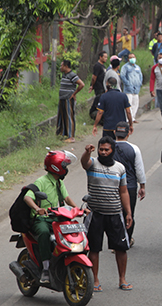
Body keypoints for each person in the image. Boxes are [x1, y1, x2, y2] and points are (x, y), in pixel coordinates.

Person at [82, 138, 133, 292]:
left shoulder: (120, 168)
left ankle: (122, 279)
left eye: (106, 150)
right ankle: (95, 280)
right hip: (95, 214)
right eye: (101, 149)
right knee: (94, 248)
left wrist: (128, 212)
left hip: (115, 214)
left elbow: (123, 191)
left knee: (121, 248)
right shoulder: (92, 164)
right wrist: (86, 152)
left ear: (113, 150)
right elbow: (84, 163)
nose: (103, 152)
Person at [24, 150, 79, 283]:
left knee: (74, 229)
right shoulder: (41, 181)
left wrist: (78, 209)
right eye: (64, 166)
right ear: (56, 167)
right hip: (41, 219)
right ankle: (46, 268)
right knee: (43, 232)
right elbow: (27, 197)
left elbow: (66, 198)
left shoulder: (59, 182)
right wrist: (38, 209)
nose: (65, 169)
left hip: (56, 217)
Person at [113, 121, 146, 246]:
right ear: (129, 132)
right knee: (129, 213)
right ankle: (127, 239)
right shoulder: (134, 149)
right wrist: (142, 186)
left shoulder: (108, 148)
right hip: (130, 187)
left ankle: (116, 240)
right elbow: (139, 170)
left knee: (115, 214)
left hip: (113, 186)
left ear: (114, 132)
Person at [56, 60, 84, 143]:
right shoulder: (64, 75)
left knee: (69, 116)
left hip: (68, 98)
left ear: (66, 66)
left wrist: (74, 94)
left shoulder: (72, 75)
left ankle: (71, 136)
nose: (60, 67)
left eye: (61, 65)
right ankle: (62, 133)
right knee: (62, 115)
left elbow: (81, 84)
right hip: (62, 98)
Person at [120, 53, 143, 123]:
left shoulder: (137, 67)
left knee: (135, 103)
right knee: (128, 104)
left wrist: (140, 83)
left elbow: (140, 76)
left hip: (136, 89)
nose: (132, 59)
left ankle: (132, 118)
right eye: (130, 58)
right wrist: (128, 84)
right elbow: (122, 76)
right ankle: (127, 119)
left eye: (133, 57)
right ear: (128, 59)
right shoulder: (125, 67)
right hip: (128, 89)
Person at [89, 51, 108, 120]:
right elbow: (94, 77)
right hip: (99, 87)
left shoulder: (103, 66)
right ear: (100, 57)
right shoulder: (97, 66)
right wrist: (92, 85)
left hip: (103, 87)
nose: (106, 59)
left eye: (106, 57)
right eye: (104, 57)